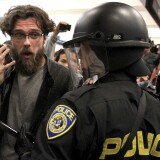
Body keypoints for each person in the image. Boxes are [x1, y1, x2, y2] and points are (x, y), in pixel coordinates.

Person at [17, 2, 160, 160]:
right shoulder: (155, 106)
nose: (82, 61)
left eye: (83, 50)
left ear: (97, 50)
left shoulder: (74, 107)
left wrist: (28, 154)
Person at [0, 4, 73, 160]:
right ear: (11, 39)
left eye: (34, 35)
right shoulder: (4, 73)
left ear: (44, 38)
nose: (27, 42)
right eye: (19, 35)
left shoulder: (61, 76)